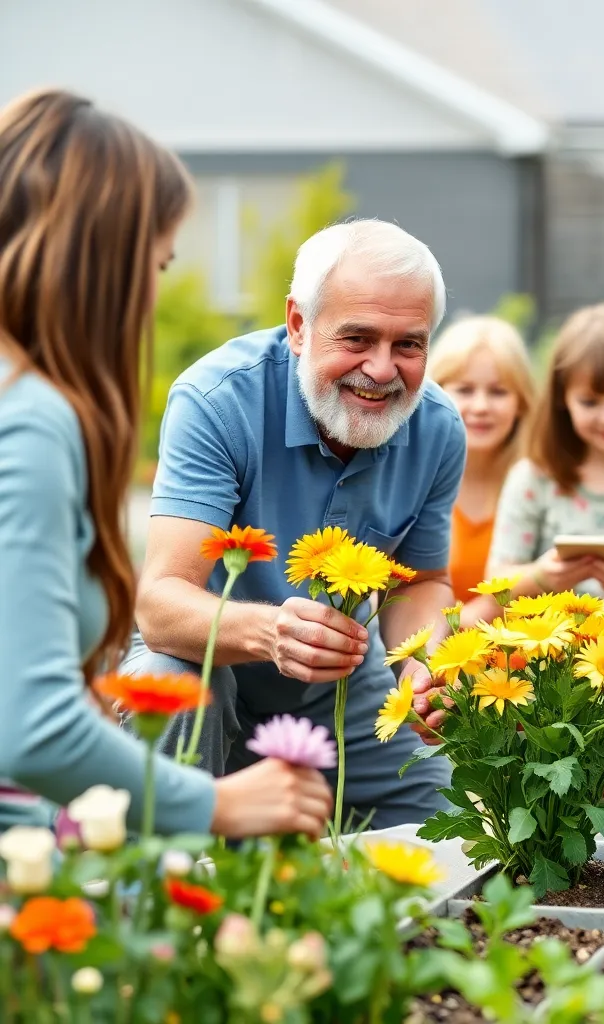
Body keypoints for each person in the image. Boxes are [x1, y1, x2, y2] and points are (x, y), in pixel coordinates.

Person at [0, 89, 332, 837]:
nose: (152, 294)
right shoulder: (28, 418)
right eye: (154, 263)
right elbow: (33, 730)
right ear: (98, 260)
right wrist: (219, 803)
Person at [124, 219, 464, 829]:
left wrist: (426, 661)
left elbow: (422, 582)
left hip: (341, 693)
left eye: (408, 345)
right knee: (169, 681)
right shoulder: (216, 400)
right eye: (357, 338)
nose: (382, 370)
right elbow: (159, 605)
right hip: (209, 666)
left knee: (450, 830)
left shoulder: (437, 426)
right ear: (299, 324)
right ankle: (160, 897)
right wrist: (272, 631)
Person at [486, 304, 604, 605]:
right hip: (550, 648)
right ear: (563, 399)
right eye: (590, 402)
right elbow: (495, 585)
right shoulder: (534, 478)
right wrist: (540, 576)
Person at [427, 315, 535, 625]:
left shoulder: (541, 485)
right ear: (435, 394)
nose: (481, 406)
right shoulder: (411, 484)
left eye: (499, 392)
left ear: (522, 402)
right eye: (465, 390)